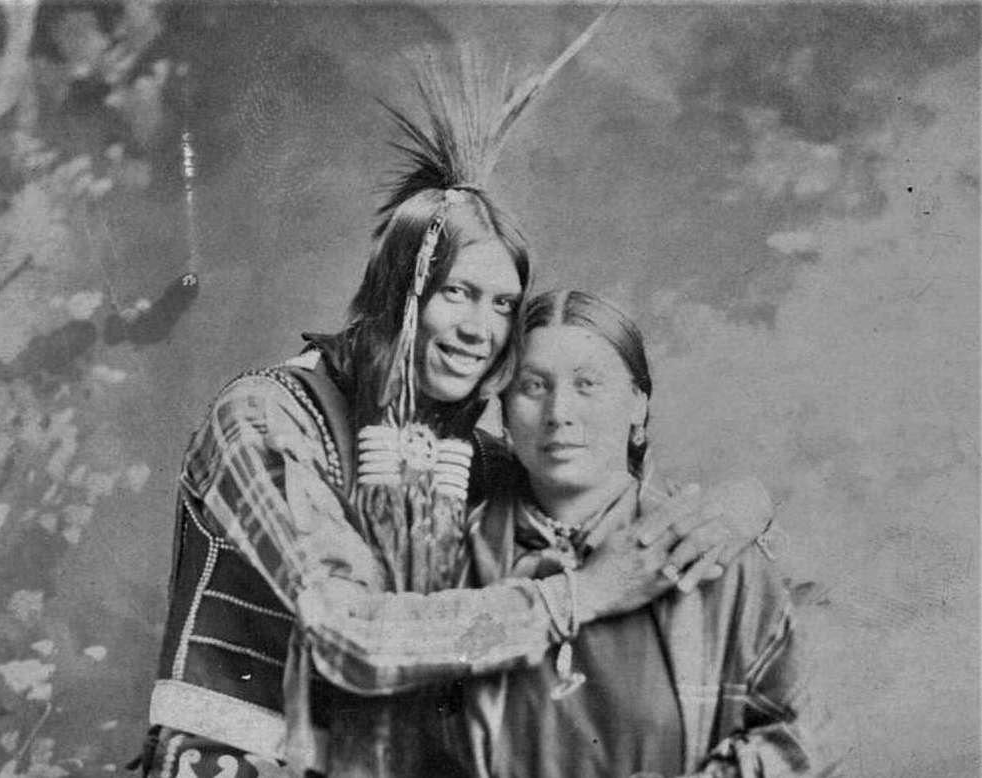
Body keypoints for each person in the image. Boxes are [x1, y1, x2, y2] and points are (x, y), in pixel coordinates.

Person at [132, 20, 777, 778]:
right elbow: (350, 636)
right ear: (397, 294)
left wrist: (740, 507)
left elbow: (630, 527)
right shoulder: (266, 419)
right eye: (457, 295)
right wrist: (576, 597)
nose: (479, 329)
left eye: (503, 305)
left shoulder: (466, 456)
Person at [458, 290, 820, 778]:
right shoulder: (452, 557)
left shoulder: (716, 552)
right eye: (532, 386)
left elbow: (810, 732)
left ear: (637, 404)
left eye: (588, 384)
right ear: (502, 408)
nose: (558, 411)